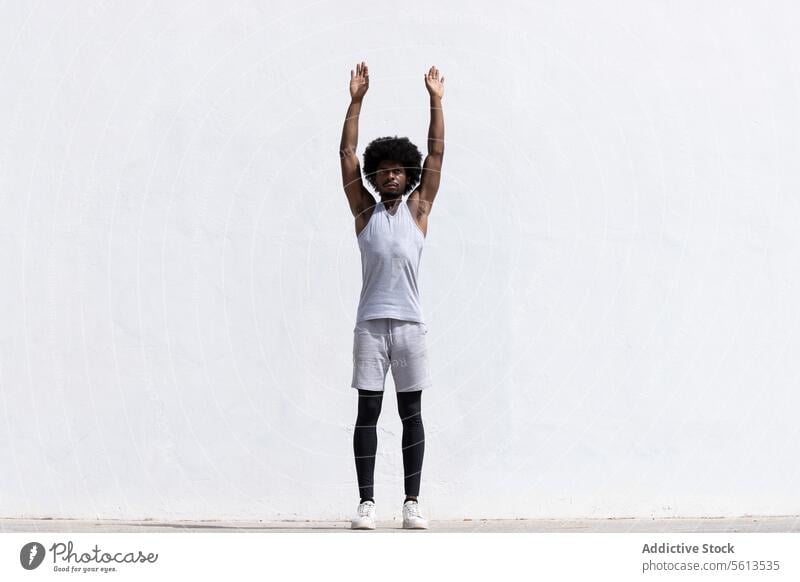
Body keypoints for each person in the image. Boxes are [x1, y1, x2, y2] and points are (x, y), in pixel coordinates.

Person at [339, 61, 444, 530]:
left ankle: (411, 502)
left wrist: (435, 101)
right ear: (374, 177)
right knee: (367, 410)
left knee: (411, 412)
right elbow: (345, 154)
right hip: (370, 324)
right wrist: (356, 101)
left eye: (400, 171)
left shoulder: (418, 210)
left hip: (409, 324)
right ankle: (366, 503)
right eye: (383, 172)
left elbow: (438, 157)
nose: (391, 177)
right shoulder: (364, 213)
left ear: (409, 175)